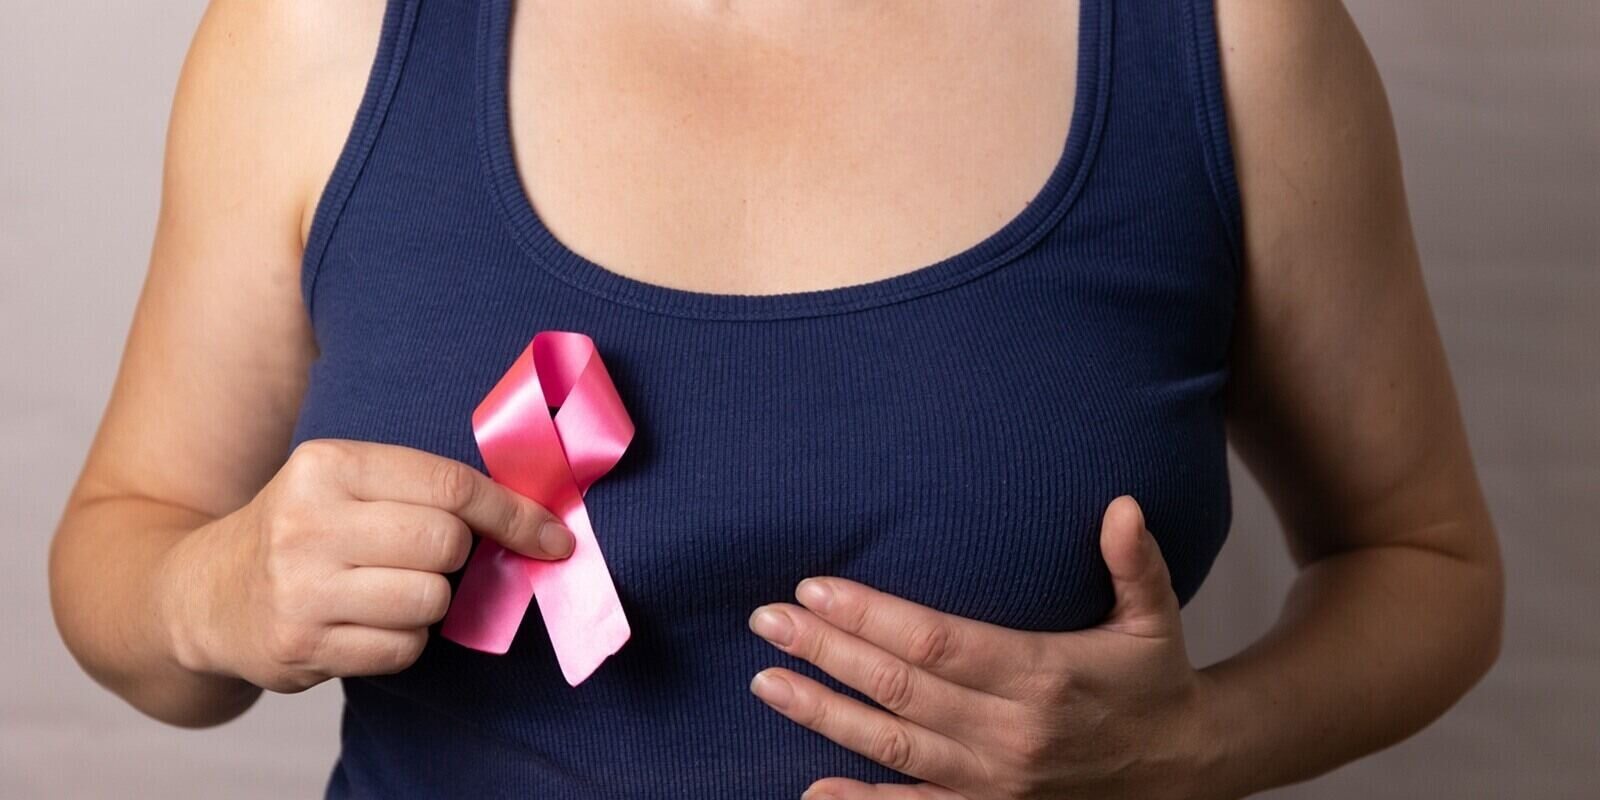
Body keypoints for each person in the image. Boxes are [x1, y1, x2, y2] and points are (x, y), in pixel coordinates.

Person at [48, 0, 1504, 797]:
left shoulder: (1230, 39)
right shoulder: (326, 34)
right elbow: (128, 561)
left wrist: (1193, 750)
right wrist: (211, 590)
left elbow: (1430, 566)